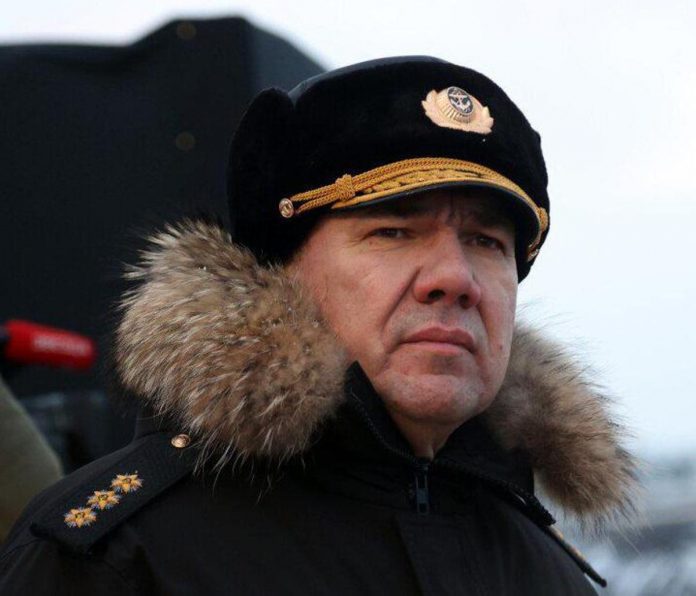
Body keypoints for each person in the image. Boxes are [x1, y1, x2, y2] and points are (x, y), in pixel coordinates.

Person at [0, 56, 637, 594]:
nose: (456, 277)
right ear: (282, 275)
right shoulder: (118, 561)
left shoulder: (549, 573)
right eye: (393, 231)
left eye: (487, 242)